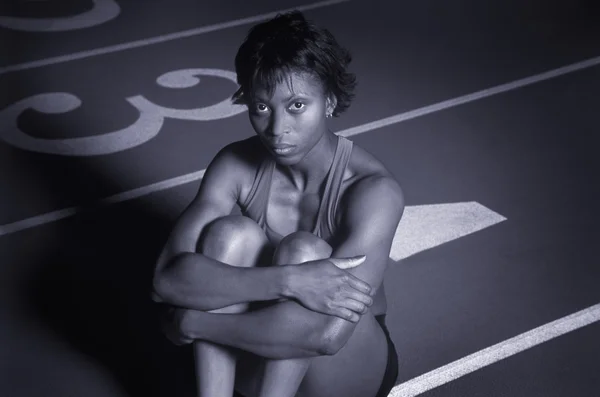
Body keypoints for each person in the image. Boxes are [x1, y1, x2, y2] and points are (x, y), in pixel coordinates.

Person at [152, 10, 404, 397]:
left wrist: (196, 324)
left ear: (330, 102)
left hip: (345, 371)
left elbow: (327, 336)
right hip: (261, 348)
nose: (277, 128)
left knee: (303, 249)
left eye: (297, 106)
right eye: (262, 107)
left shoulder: (373, 190)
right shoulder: (234, 165)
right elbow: (165, 281)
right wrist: (289, 281)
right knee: (229, 234)